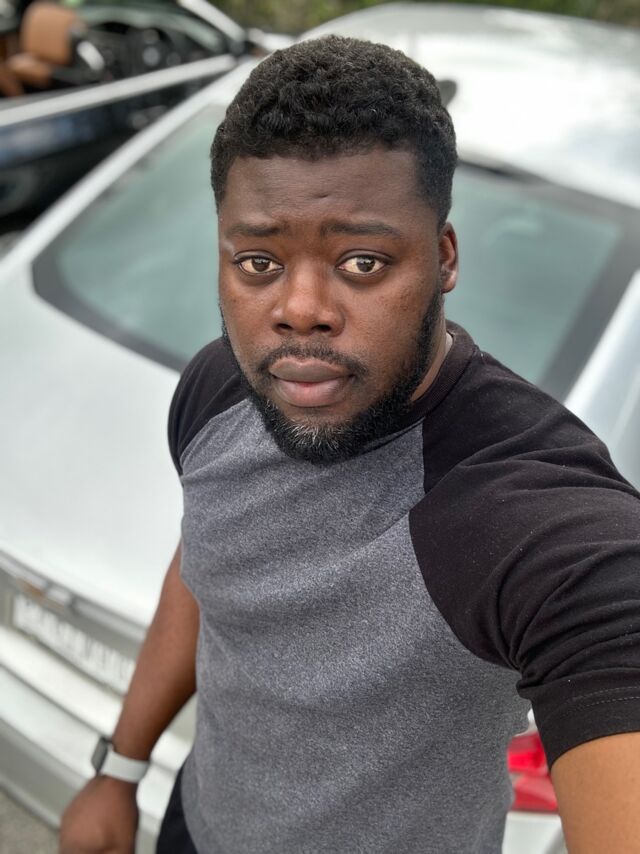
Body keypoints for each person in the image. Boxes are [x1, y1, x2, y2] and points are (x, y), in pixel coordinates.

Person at [59, 35, 640, 854]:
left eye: (363, 261)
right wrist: (121, 768)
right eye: (258, 262)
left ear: (443, 258)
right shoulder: (218, 391)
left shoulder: (531, 519)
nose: (300, 309)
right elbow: (208, 563)